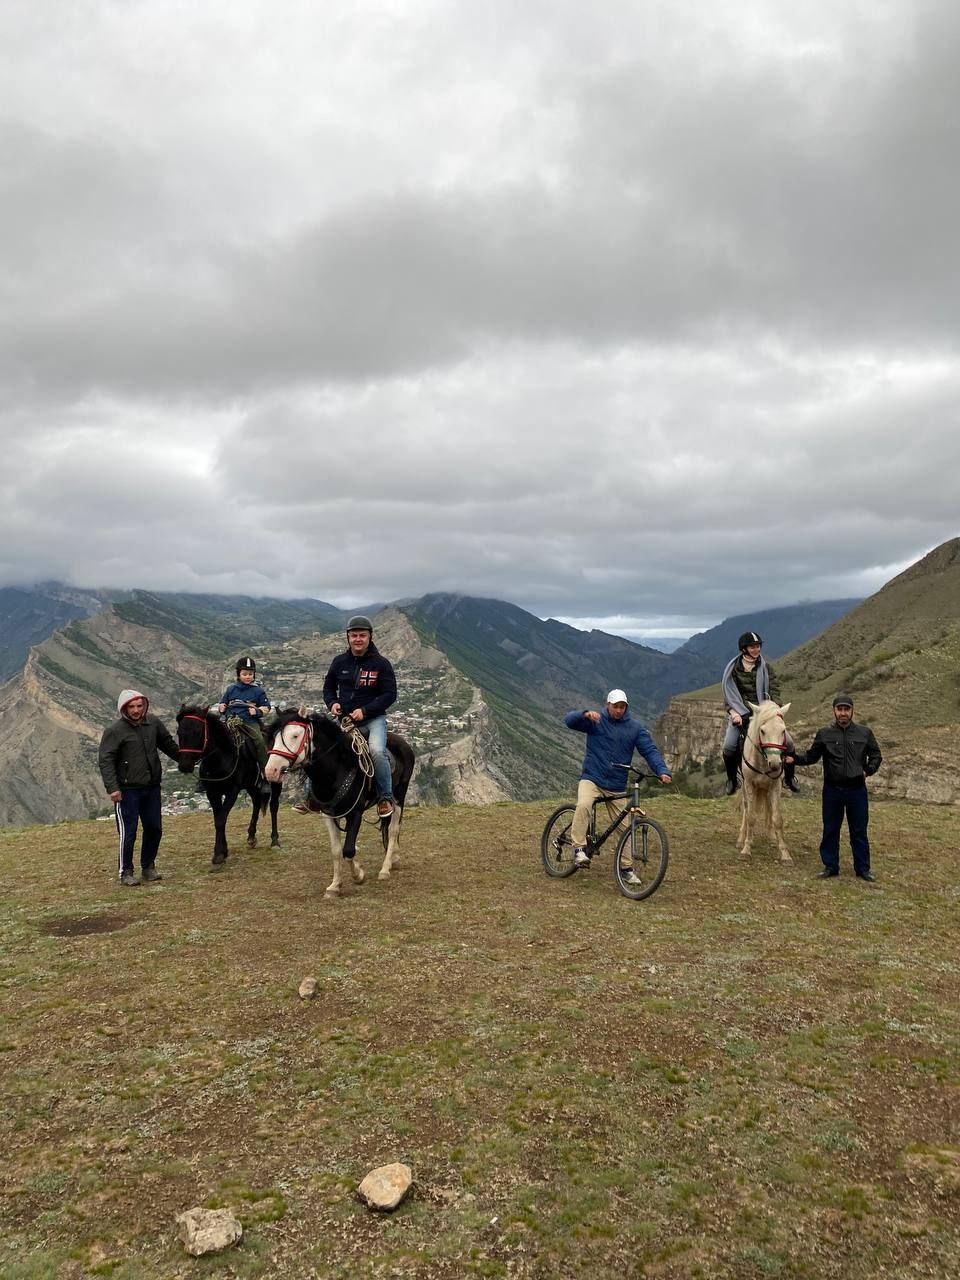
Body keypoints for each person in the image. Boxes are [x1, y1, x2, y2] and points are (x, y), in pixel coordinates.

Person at [564, 689, 672, 885]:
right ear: (608, 705)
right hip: (592, 778)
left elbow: (650, 750)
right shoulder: (596, 721)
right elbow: (569, 721)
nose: (619, 710)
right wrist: (584, 714)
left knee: (625, 828)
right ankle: (579, 849)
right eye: (616, 706)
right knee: (584, 804)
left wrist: (662, 770)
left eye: (622, 707)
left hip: (616, 784)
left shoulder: (635, 728)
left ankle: (626, 869)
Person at [787, 693, 883, 881]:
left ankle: (862, 869)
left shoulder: (865, 733)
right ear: (834, 711)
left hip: (857, 791)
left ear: (853, 711)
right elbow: (811, 757)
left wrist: (868, 771)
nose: (843, 713)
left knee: (859, 830)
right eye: (840, 709)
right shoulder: (824, 734)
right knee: (831, 829)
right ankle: (830, 866)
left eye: (847, 709)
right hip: (832, 790)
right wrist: (794, 759)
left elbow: (876, 756)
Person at [98, 689, 180, 886]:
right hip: (127, 790)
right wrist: (113, 788)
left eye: (139, 706)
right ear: (124, 709)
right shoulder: (115, 731)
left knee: (154, 828)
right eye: (131, 707)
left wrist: (187, 760)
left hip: (151, 787)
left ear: (145, 706)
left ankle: (148, 866)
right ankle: (126, 871)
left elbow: (168, 745)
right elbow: (106, 760)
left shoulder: (153, 723)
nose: (136, 710)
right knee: (128, 832)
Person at [322, 614, 398, 817]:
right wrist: (332, 703)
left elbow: (390, 694)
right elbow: (328, 688)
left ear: (370, 637)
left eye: (362, 635)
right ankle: (312, 796)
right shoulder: (339, 662)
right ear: (348, 637)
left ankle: (385, 797)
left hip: (374, 720)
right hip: (346, 721)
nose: (358, 639)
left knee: (376, 752)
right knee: (322, 748)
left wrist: (365, 711)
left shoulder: (381, 664)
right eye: (354, 635)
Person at [721, 630, 799, 795]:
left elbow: (774, 688)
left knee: (790, 743)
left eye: (758, 646)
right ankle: (732, 780)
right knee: (729, 746)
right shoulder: (733, 670)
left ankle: (790, 777)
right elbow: (729, 696)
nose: (756, 649)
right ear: (744, 649)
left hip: (765, 713)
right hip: (741, 714)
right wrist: (734, 713)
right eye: (753, 647)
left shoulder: (766, 668)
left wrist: (774, 706)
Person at [218, 656, 272, 788]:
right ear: (239, 674)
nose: (248, 676)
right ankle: (206, 774)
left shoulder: (258, 691)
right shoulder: (231, 689)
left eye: (250, 674)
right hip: (230, 721)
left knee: (259, 741)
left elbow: (267, 708)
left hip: (249, 722)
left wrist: (257, 712)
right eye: (245, 674)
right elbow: (223, 702)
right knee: (212, 738)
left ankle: (265, 774)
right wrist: (222, 707)